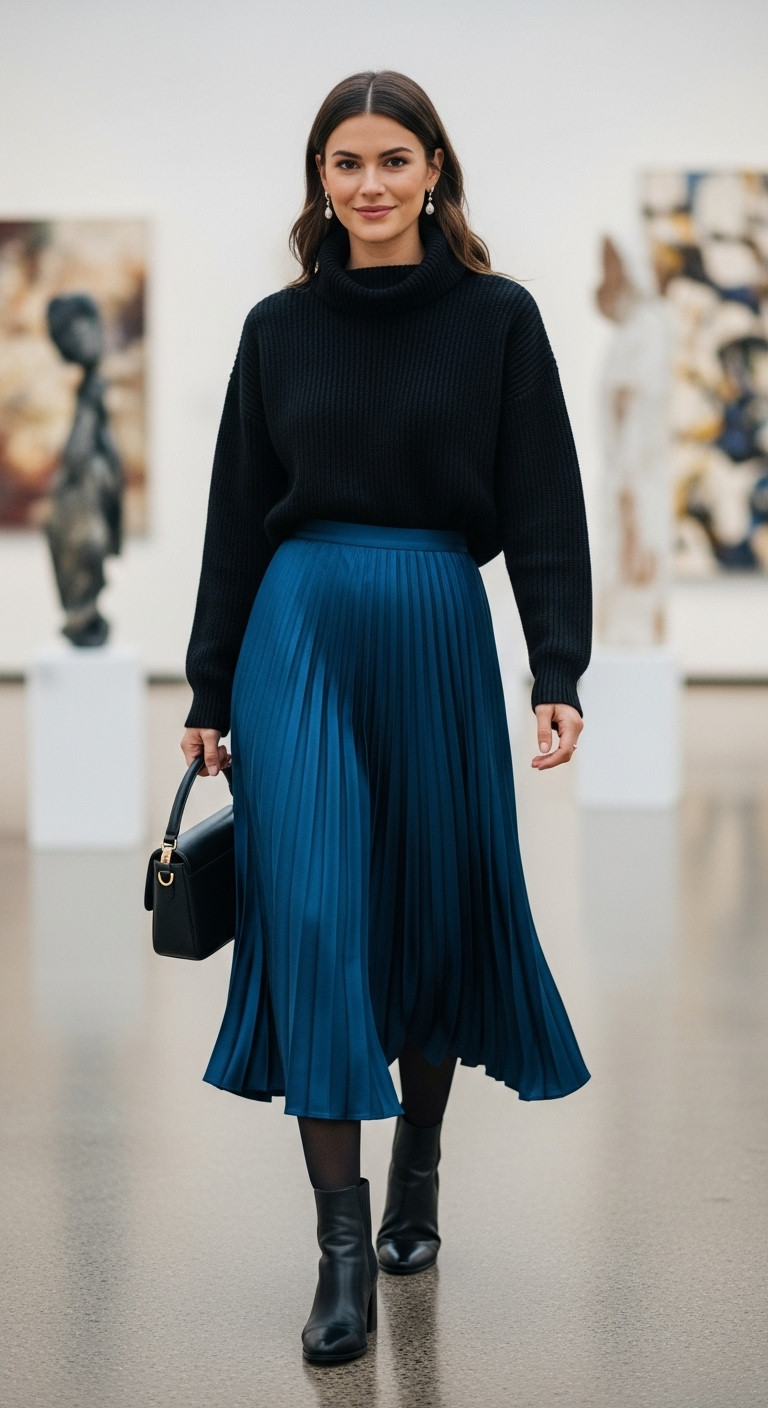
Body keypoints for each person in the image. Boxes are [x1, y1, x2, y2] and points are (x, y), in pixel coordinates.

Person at [181, 69, 592, 1366]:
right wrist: (206, 686)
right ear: (321, 180)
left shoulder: (498, 320)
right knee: (310, 912)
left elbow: (542, 502)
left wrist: (558, 669)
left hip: (431, 619)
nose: (368, 184)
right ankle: (342, 1251)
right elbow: (235, 514)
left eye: (392, 160)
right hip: (296, 626)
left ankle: (419, 1166)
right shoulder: (277, 327)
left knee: (425, 902)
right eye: (345, 163)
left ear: (434, 172)